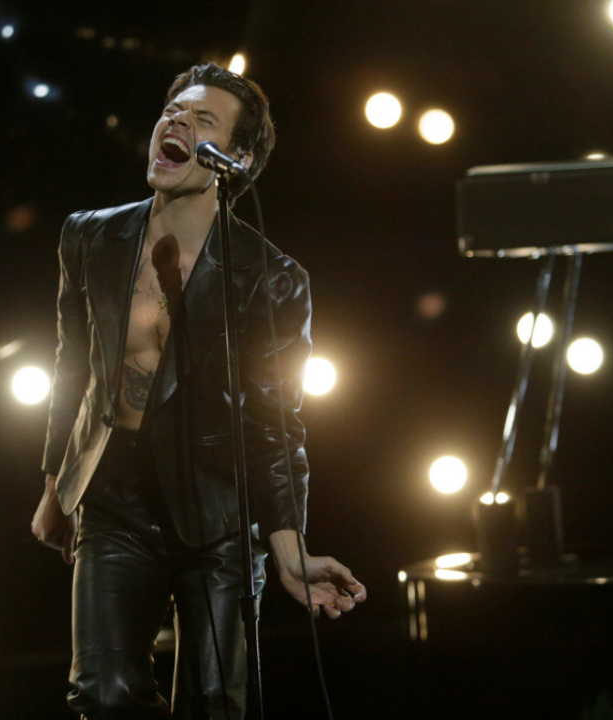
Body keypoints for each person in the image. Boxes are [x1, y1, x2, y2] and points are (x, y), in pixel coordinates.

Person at [30, 62, 366, 718]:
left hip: (218, 514)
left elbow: (275, 421)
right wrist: (55, 484)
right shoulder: (89, 235)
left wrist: (288, 543)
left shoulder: (270, 278)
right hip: (114, 501)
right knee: (101, 694)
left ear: (233, 160)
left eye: (202, 119)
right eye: (172, 112)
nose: (177, 123)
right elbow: (73, 362)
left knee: (217, 704)